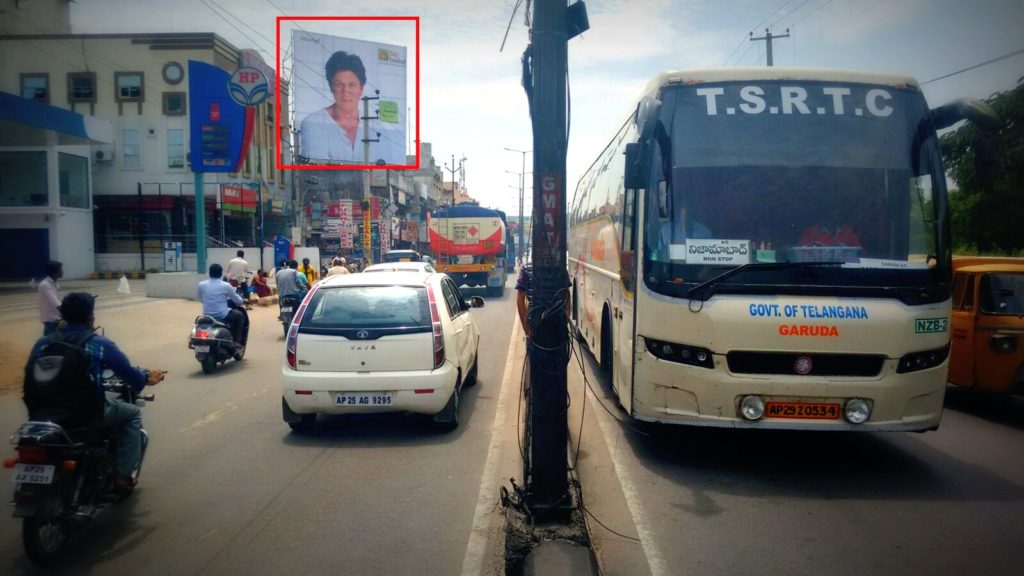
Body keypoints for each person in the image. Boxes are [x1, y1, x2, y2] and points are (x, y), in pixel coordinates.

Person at [28, 292, 164, 489]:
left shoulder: (43, 343)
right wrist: (146, 378)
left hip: (41, 413)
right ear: (90, 316)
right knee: (132, 414)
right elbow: (131, 376)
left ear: (63, 316)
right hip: (84, 415)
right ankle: (123, 476)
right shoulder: (98, 344)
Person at [299, 51, 368, 163]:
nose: (345, 91)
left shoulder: (376, 128)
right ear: (331, 87)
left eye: (351, 85)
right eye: (339, 84)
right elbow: (318, 171)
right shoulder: (313, 123)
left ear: (361, 88)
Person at [197, 263, 246, 351]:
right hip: (222, 315)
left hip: (207, 316)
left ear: (209, 273)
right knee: (240, 316)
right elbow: (238, 301)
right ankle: (237, 341)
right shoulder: (226, 286)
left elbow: (201, 299)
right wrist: (243, 300)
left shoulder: (201, 285)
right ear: (221, 274)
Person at [38, 260, 63, 335]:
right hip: (50, 317)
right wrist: (67, 312)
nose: (62, 272)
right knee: (49, 340)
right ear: (54, 272)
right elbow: (55, 302)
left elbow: (58, 300)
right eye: (60, 270)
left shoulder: (55, 283)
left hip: (56, 316)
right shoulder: (45, 285)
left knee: (55, 338)